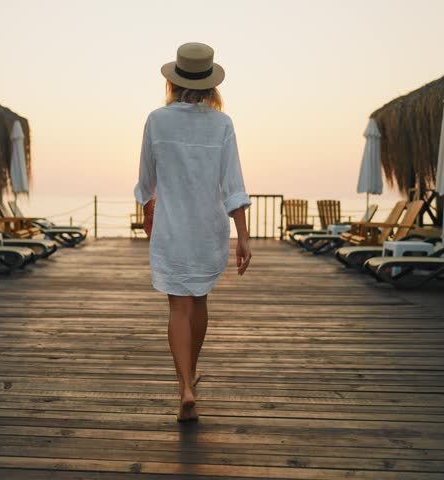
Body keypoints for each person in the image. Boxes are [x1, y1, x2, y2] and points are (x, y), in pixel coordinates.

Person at [134, 42, 252, 422]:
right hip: (207, 229)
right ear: (210, 84)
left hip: (171, 228)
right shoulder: (222, 124)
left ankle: (185, 383)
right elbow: (233, 185)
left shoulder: (157, 120)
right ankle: (191, 373)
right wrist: (243, 237)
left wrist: (148, 211)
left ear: (173, 81)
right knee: (198, 300)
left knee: (178, 306)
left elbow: (146, 181)